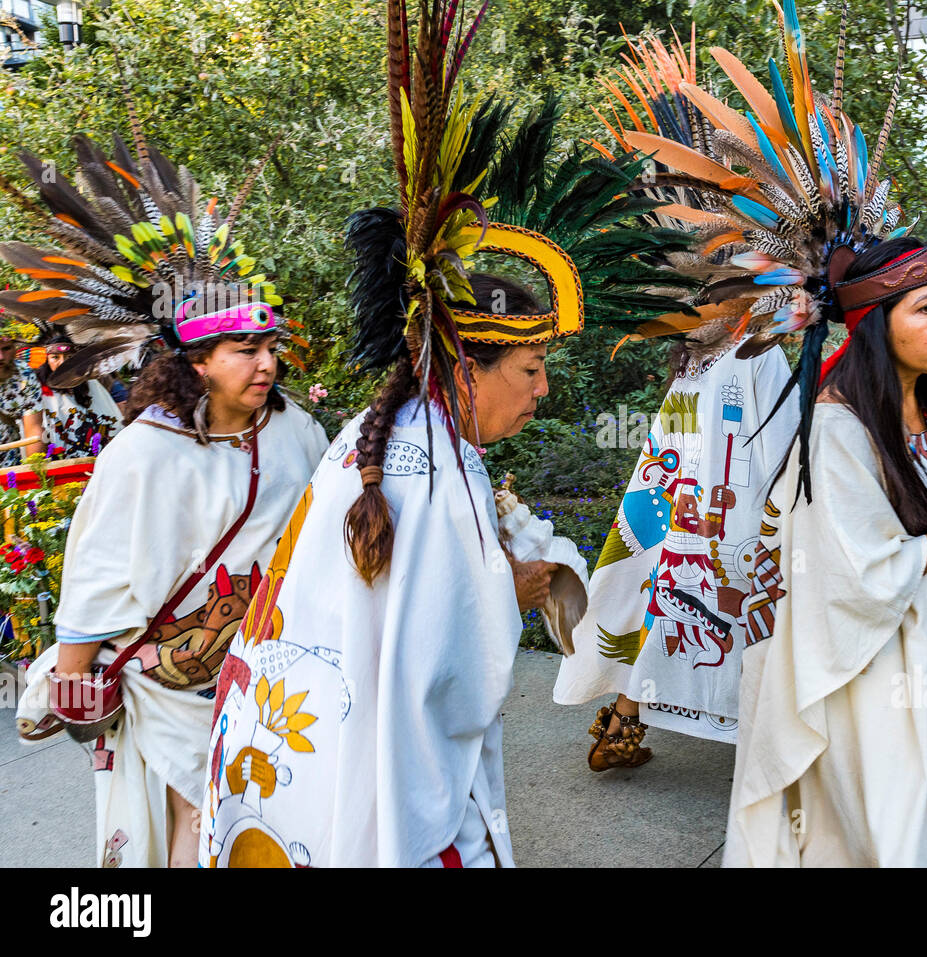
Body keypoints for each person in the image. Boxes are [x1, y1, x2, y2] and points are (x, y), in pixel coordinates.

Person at [200, 10, 690, 867]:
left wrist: (498, 578)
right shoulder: (424, 470)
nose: (543, 389)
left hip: (310, 754)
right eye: (530, 368)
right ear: (467, 368)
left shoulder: (398, 440)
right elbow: (443, 663)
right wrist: (518, 584)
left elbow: (407, 625)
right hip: (370, 773)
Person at [605, 2, 927, 865]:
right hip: (863, 678)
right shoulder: (840, 430)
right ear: (877, 324)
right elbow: (859, 572)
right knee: (895, 827)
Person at [8, 127, 327, 868]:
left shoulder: (296, 430)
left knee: (258, 822)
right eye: (245, 351)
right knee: (195, 821)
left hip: (265, 673)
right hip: (167, 683)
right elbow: (93, 577)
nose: (267, 363)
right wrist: (73, 678)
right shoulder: (144, 453)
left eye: (271, 347)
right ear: (197, 363)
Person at [554, 338, 797, 767]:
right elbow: (786, 451)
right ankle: (783, 759)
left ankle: (620, 728)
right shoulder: (759, 351)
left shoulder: (698, 352)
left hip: (679, 510)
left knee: (660, 613)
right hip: (731, 522)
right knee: (758, 626)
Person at [32, 330, 124, 457]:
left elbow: (111, 418)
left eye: (69, 357)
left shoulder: (90, 383)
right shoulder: (37, 388)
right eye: (55, 357)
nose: (63, 362)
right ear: (47, 360)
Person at [0, 330, 42, 467]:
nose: (0, 357)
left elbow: (33, 431)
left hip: (8, 466)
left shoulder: (24, 374)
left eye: (6, 349)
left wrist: (36, 471)